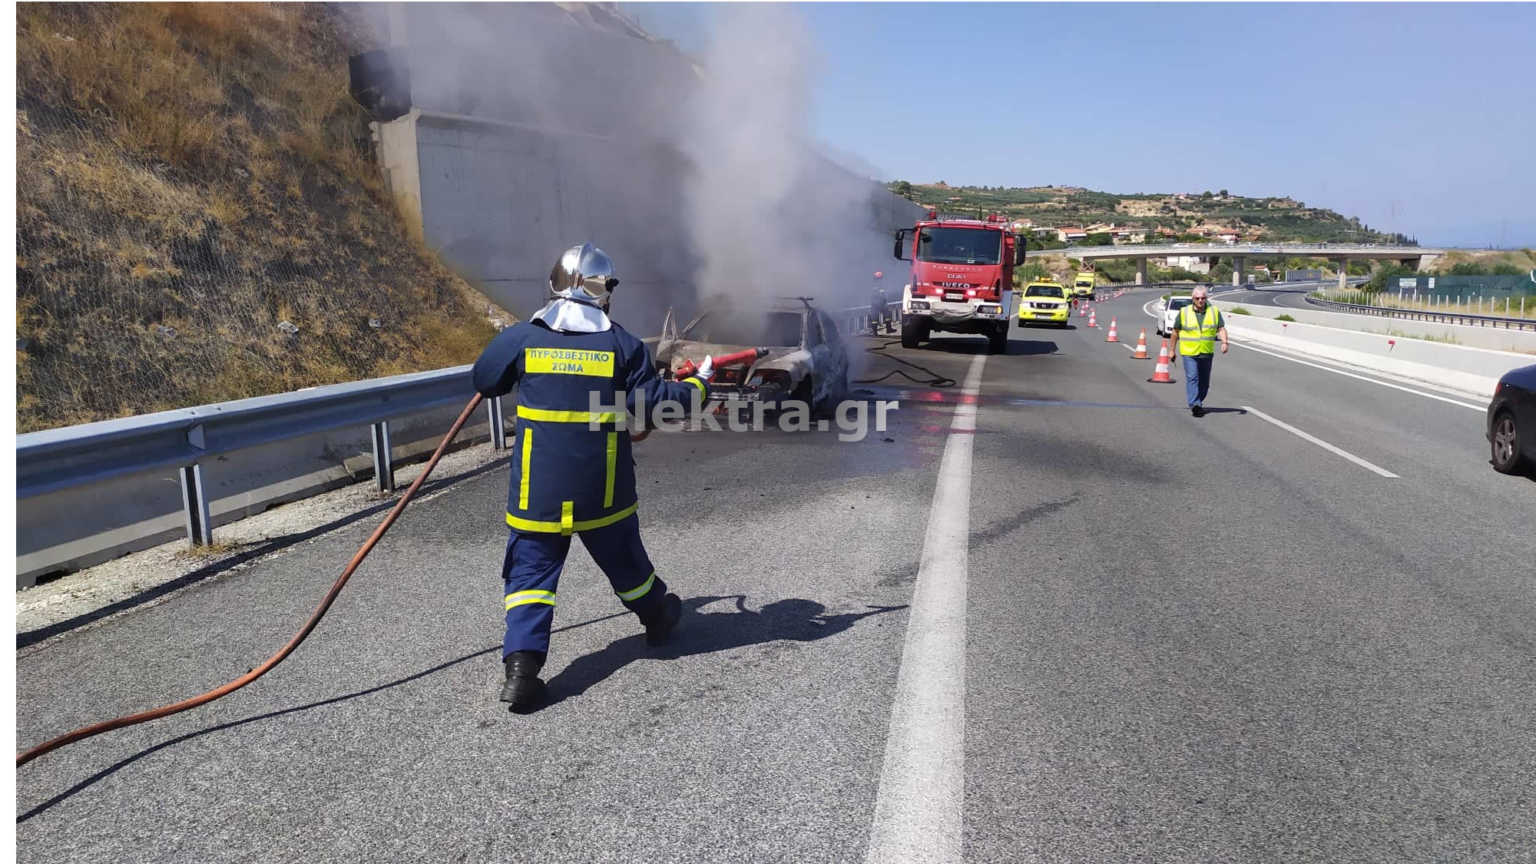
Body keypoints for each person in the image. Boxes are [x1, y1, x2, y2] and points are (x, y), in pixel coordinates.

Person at [471, 242, 714, 712]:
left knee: (530, 577)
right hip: (601, 489)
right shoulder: (620, 343)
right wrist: (699, 385)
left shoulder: (523, 338)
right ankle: (659, 616)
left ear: (555, 285)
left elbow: (484, 381)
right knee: (625, 562)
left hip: (536, 491)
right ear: (604, 292)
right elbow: (654, 403)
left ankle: (522, 670)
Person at [1169, 284, 1229, 417]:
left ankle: (1198, 401)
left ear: (1206, 298)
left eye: (1203, 298)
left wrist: (1225, 342)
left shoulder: (1214, 312)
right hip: (1189, 353)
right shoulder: (1184, 312)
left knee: (1204, 383)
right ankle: (1195, 405)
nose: (1200, 301)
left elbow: (1221, 328)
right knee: (1192, 378)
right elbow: (1175, 333)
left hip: (1206, 353)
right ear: (1193, 299)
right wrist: (1172, 350)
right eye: (1197, 298)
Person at [869, 271, 887, 335]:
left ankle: (875, 332)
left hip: (874, 303)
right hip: (878, 303)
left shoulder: (873, 283)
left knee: (874, 319)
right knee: (876, 318)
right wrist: (883, 300)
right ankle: (875, 332)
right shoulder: (878, 284)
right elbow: (880, 293)